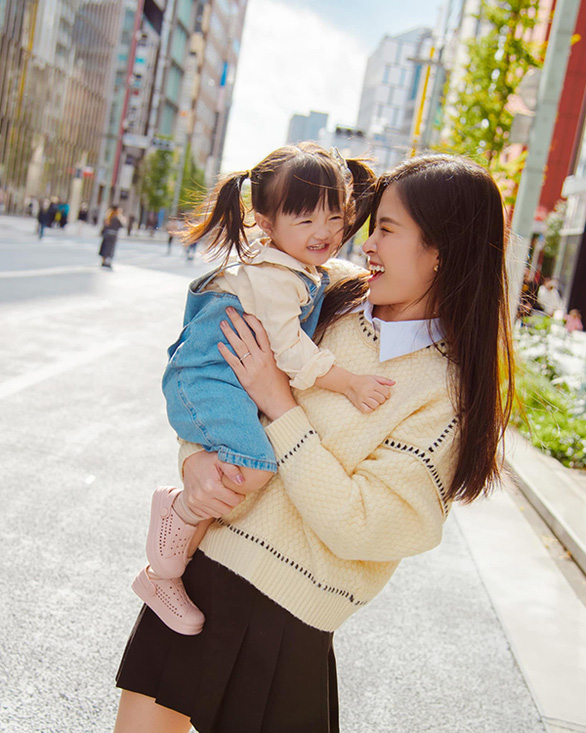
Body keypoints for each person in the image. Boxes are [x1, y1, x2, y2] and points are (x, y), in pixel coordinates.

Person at [114, 155, 514, 733]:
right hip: (199, 583)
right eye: (372, 225)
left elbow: (364, 524)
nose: (366, 242)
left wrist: (280, 404)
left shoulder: (449, 395)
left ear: (441, 251)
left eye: (388, 229)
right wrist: (195, 460)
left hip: (290, 624)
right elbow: (212, 383)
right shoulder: (325, 298)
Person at [131, 143, 392, 634]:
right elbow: (291, 354)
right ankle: (177, 512)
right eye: (306, 220)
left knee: (241, 469)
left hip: (219, 379)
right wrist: (350, 383)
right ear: (267, 224)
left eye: (334, 218)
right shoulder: (276, 276)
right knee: (255, 466)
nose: (325, 233)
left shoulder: (303, 270)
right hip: (208, 378)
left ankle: (165, 572)